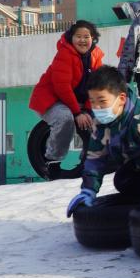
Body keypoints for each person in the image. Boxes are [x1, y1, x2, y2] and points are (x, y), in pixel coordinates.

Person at [65, 66, 140, 217]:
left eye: (102, 101)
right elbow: (95, 158)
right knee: (122, 180)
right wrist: (88, 190)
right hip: (139, 166)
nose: (97, 108)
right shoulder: (99, 122)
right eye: (92, 102)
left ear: (121, 99)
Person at [28, 20, 104, 179]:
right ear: (71, 38)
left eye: (86, 37)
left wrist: (88, 110)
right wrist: (77, 113)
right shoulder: (64, 54)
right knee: (65, 118)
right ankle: (52, 162)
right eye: (78, 36)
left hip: (77, 102)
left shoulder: (96, 56)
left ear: (93, 38)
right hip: (52, 100)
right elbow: (62, 87)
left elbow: (96, 86)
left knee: (99, 119)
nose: (82, 40)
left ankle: (90, 159)